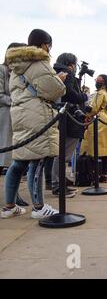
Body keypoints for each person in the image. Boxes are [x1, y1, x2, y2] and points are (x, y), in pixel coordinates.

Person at [1, 29, 66, 219]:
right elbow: (55, 91)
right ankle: (38, 207)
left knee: (19, 162)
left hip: (21, 113)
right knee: (37, 160)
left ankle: (9, 206)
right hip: (36, 114)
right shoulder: (38, 63)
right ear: (44, 44)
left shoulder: (17, 64)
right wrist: (59, 80)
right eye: (50, 45)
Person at [51, 53, 89, 197]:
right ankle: (58, 185)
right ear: (71, 64)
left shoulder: (57, 72)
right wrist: (83, 97)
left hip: (65, 117)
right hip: (70, 119)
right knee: (63, 154)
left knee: (61, 154)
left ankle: (58, 182)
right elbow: (70, 94)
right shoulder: (67, 74)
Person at [0, 43, 29, 207]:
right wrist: (18, 102)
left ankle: (13, 195)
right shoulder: (2, 70)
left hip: (15, 118)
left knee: (14, 160)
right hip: (4, 119)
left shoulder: (19, 72)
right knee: (4, 159)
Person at [80, 74, 107, 183]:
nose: (96, 82)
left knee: (93, 148)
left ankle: (94, 173)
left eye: (97, 80)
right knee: (106, 150)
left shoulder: (100, 93)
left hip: (99, 121)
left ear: (101, 83)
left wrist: (87, 114)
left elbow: (94, 108)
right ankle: (105, 174)